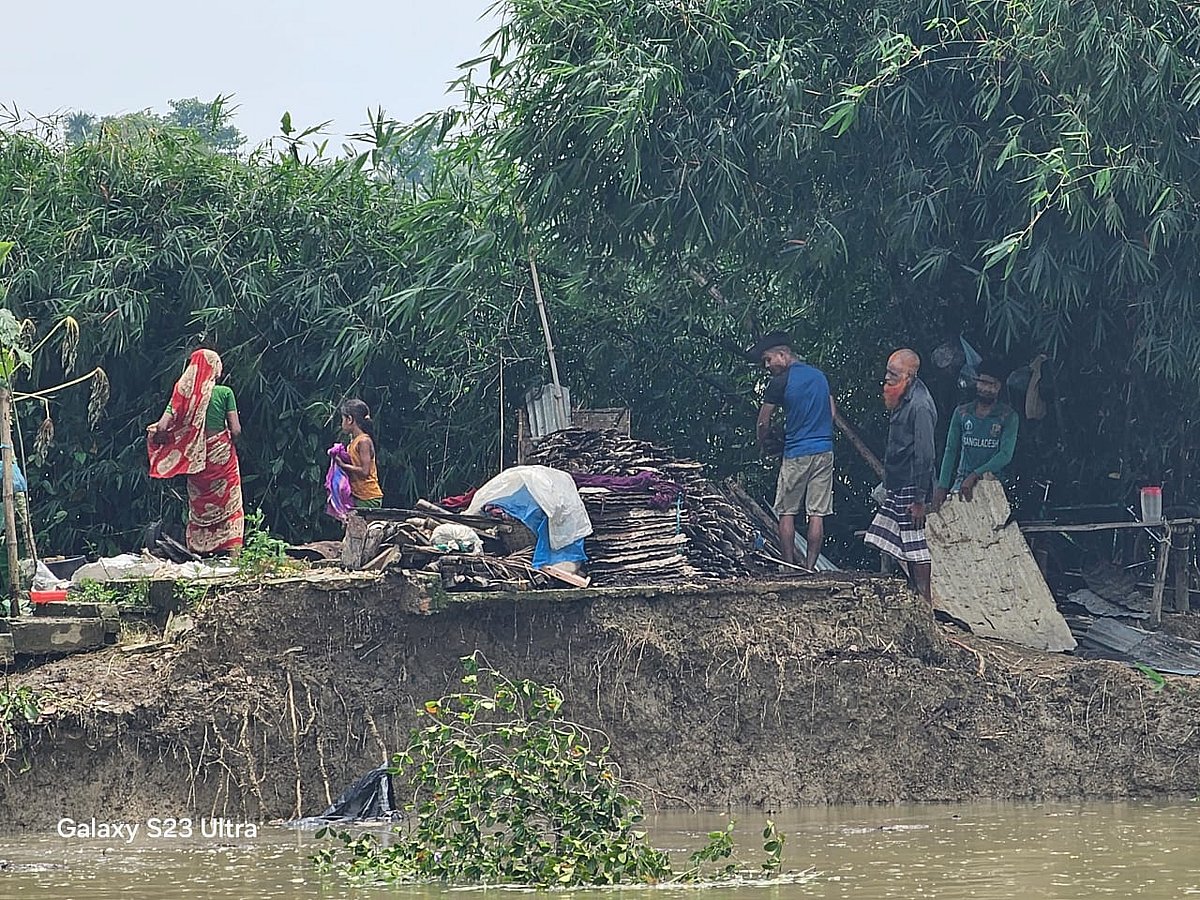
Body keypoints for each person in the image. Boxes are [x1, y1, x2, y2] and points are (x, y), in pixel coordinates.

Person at [147, 349, 244, 555]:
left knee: (200, 504)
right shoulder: (225, 393)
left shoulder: (182, 395)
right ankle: (233, 553)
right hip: (222, 457)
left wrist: (174, 442)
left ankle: (200, 550)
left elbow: (162, 427)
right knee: (230, 503)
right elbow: (236, 430)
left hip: (196, 460)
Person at [753, 331, 834, 570]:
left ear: (783, 354)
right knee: (817, 513)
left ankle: (789, 567)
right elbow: (831, 413)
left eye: (768, 359)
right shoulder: (820, 376)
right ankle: (809, 567)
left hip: (796, 453)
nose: (767, 366)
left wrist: (763, 443)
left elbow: (763, 421)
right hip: (824, 452)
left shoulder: (780, 382)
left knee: (786, 512)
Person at [864, 349, 937, 601]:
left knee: (915, 545)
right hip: (897, 482)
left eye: (893, 375)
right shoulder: (903, 398)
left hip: (911, 484)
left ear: (910, 375)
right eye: (887, 373)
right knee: (890, 539)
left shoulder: (920, 406)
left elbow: (925, 455)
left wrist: (919, 500)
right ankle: (914, 594)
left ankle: (924, 599)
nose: (887, 379)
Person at [932, 359, 1019, 511]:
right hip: (962, 481)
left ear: (998, 387)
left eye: (990, 384)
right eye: (982, 382)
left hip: (993, 483)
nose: (985, 388)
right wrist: (942, 486)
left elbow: (1005, 455)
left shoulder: (1008, 416)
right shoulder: (962, 412)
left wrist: (975, 475)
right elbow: (951, 450)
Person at [337, 399, 384, 509]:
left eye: (342, 419)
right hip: (359, 495)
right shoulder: (353, 442)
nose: (341, 423)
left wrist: (343, 466)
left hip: (368, 497)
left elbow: (364, 471)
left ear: (349, 419)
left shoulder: (363, 441)